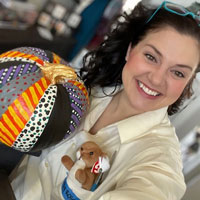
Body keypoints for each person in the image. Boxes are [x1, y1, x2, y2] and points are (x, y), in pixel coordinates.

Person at [11, 1, 200, 200]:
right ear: (130, 50)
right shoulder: (84, 88)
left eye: (178, 72)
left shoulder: (160, 161)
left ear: (187, 83)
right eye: (151, 57)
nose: (156, 79)